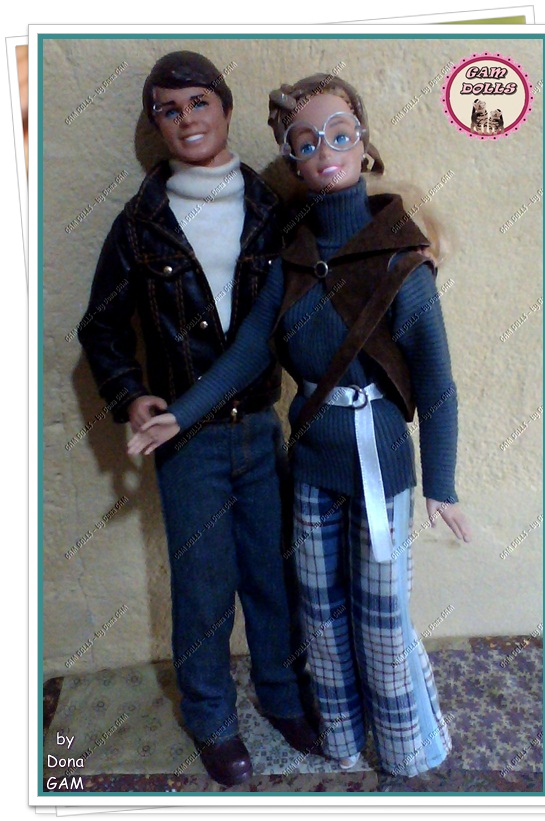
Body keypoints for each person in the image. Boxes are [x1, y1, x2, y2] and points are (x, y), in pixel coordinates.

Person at [128, 72, 471, 778]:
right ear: (291, 158)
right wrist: (179, 414)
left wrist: (442, 482)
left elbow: (437, 384)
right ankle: (340, 734)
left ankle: (406, 745)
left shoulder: (400, 263)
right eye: (306, 143)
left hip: (380, 464)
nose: (326, 153)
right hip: (312, 464)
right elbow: (248, 350)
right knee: (319, 609)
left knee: (381, 613)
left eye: (340, 135)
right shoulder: (293, 259)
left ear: (363, 143)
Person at [78, 51, 319, 788]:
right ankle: (211, 715)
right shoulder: (141, 225)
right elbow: (101, 327)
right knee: (205, 585)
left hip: (261, 426)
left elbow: (328, 260)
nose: (186, 120)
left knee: (274, 573)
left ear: (226, 108)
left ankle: (281, 693)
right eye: (168, 109)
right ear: (156, 124)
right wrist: (131, 394)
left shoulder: (273, 208)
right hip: (189, 443)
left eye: (199, 103)